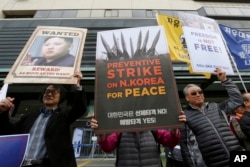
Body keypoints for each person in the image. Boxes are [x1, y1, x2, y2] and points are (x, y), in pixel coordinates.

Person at [0, 71, 87, 167]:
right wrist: (3, 112)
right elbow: (8, 131)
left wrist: (77, 85)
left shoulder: (63, 116)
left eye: (54, 92)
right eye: (47, 91)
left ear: (60, 97)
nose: (49, 94)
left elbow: (79, 108)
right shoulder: (28, 117)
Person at [180, 68, 243, 167]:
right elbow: (186, 146)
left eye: (200, 92)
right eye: (193, 93)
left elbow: (237, 100)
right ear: (187, 98)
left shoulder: (216, 107)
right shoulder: (185, 116)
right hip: (213, 162)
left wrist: (225, 80)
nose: (198, 94)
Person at [90, 113, 186, 167]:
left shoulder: (153, 128)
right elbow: (107, 147)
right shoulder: (120, 131)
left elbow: (171, 141)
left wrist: (175, 128)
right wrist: (101, 133)